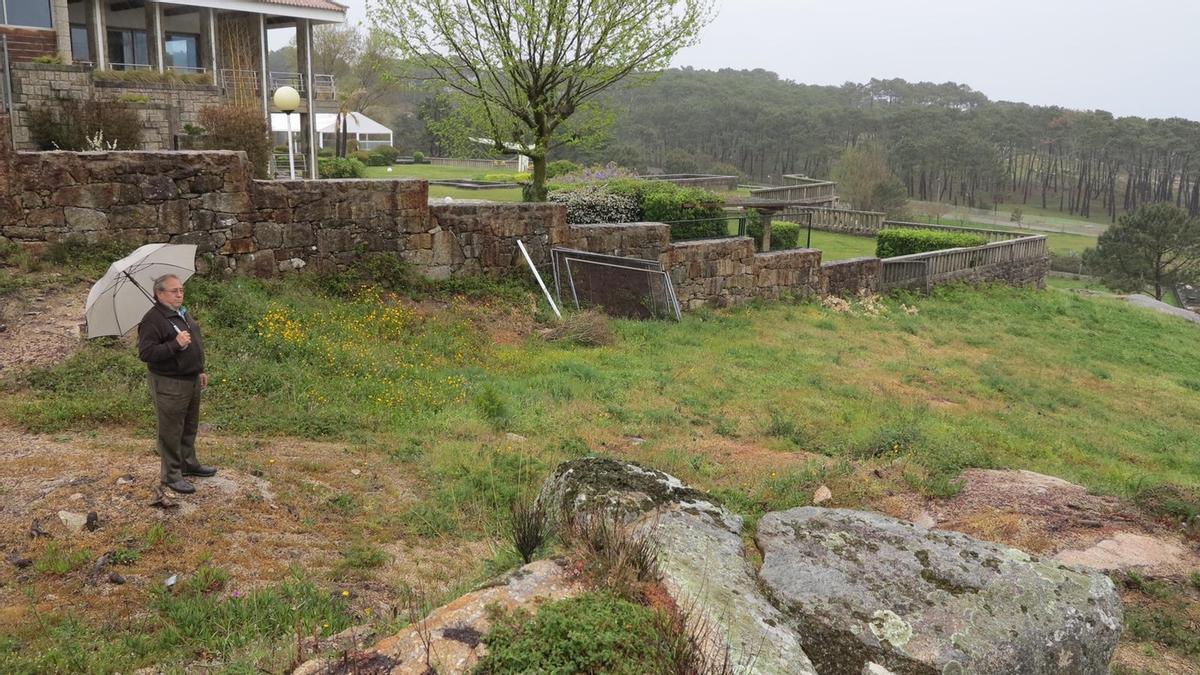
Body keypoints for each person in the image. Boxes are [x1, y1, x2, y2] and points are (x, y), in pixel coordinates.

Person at [137, 274, 215, 494]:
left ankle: (188, 464)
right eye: (174, 291)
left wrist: (199, 369)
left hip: (191, 378)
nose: (179, 294)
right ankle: (171, 476)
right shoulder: (152, 320)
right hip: (169, 382)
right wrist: (174, 344)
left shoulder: (181, 313)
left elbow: (195, 343)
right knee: (171, 430)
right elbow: (146, 353)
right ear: (159, 293)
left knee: (189, 425)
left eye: (181, 290)